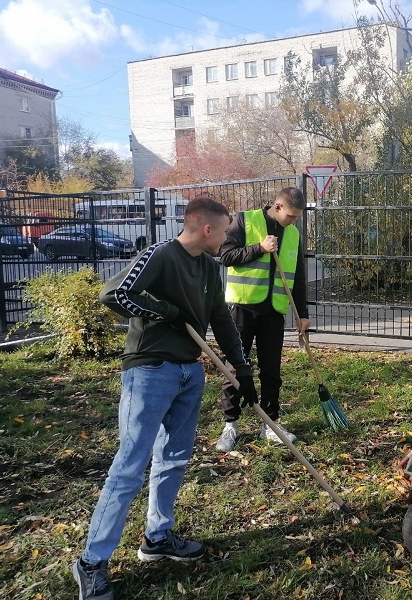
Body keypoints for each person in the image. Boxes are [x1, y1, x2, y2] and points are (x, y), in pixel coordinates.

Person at [72, 196, 259, 600]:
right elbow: (114, 294)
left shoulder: (210, 268)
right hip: (150, 370)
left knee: (173, 458)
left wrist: (242, 372)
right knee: (129, 467)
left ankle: (157, 537)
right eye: (225, 229)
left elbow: (222, 321)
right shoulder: (160, 255)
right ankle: (91, 562)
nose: (228, 236)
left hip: (189, 372)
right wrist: (164, 311)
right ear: (206, 228)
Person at [216, 187, 310, 452]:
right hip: (242, 309)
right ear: (278, 207)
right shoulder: (245, 220)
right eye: (291, 216)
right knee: (234, 368)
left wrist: (302, 314)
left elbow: (298, 277)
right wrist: (259, 248)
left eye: (296, 218)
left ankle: (270, 424)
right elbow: (225, 256)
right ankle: (230, 424)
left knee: (272, 370)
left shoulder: (293, 234)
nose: (293, 221)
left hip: (273, 311)